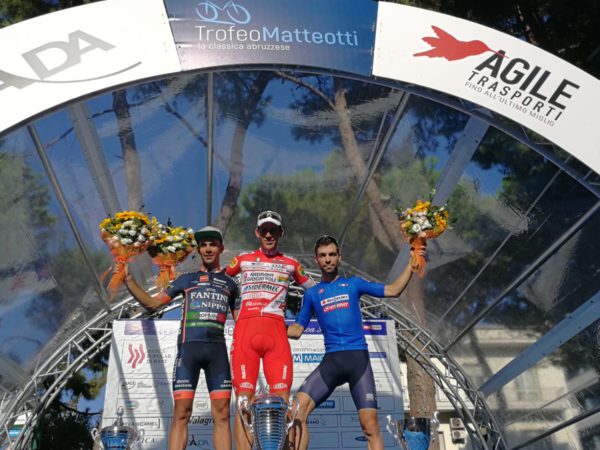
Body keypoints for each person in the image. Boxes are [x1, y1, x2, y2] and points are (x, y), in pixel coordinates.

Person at [287, 235, 425, 450]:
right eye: (323, 255)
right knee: (296, 411)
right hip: (332, 362)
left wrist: (411, 263)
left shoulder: (353, 284)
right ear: (316, 260)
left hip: (357, 361)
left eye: (332, 254)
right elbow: (296, 330)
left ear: (339, 257)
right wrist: (267, 322)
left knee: (370, 427)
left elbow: (393, 290)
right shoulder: (312, 294)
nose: (328, 259)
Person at [124, 226, 238, 450]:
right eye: (203, 245)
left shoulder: (231, 284)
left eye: (213, 244)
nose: (208, 249)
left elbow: (242, 321)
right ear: (198, 249)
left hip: (217, 353)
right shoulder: (186, 280)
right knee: (181, 413)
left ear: (221, 248)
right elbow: (153, 304)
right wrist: (129, 280)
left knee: (223, 414)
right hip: (188, 353)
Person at [225, 210, 315, 449]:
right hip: (246, 333)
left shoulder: (291, 264)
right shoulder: (242, 260)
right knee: (243, 401)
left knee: (283, 400)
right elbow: (221, 285)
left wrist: (301, 321)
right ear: (257, 232)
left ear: (280, 232)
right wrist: (234, 311)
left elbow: (316, 292)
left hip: (276, 336)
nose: (268, 235)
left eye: (273, 230)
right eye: (264, 230)